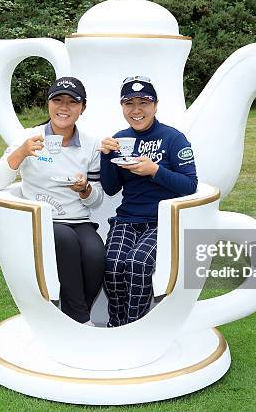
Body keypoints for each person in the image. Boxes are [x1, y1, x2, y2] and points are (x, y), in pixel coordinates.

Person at [0, 77, 105, 325]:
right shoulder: (29, 137)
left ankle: (70, 316)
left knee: (96, 255)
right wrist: (21, 153)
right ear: (48, 104)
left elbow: (95, 200)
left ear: (83, 108)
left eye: (73, 102)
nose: (64, 107)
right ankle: (82, 322)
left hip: (78, 220)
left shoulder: (91, 144)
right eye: (58, 100)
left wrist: (84, 189)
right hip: (41, 219)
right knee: (65, 240)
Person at [99, 76, 198, 327]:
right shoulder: (120, 140)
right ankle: (117, 324)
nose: (136, 110)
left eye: (144, 102)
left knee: (137, 263)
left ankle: (136, 326)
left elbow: (190, 185)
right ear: (122, 107)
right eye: (129, 103)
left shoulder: (174, 138)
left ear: (155, 105)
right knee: (111, 265)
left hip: (161, 222)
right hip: (127, 220)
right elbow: (111, 189)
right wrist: (106, 157)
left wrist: (155, 171)